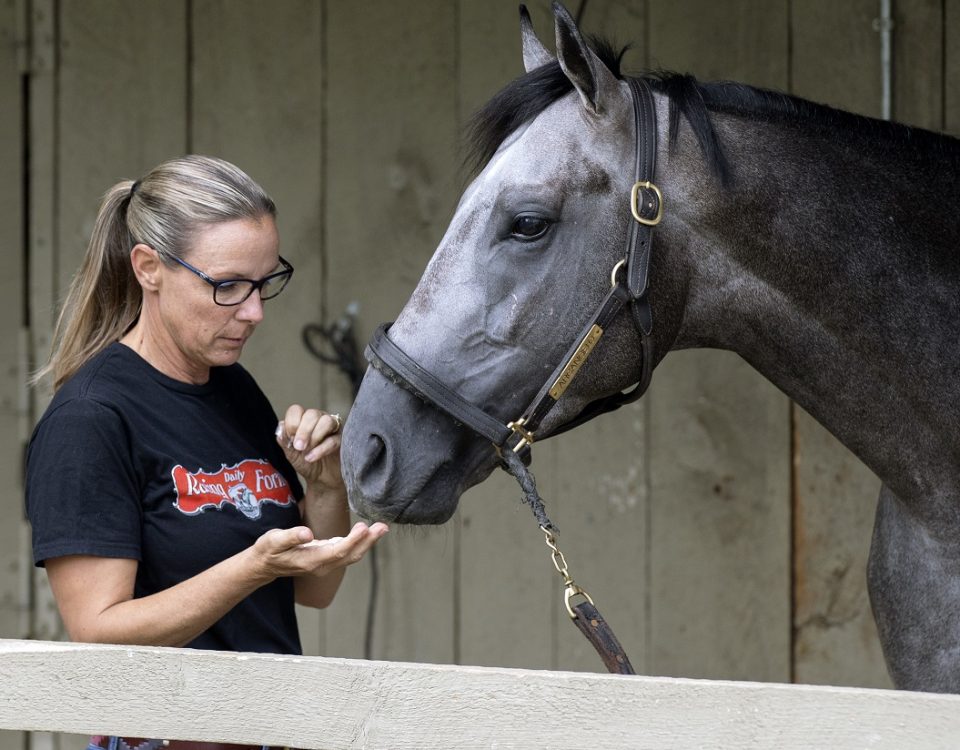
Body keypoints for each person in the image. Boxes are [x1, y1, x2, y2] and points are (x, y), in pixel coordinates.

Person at [25, 155, 387, 668]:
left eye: (264, 283)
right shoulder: (91, 419)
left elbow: (314, 588)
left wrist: (325, 484)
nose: (254, 311)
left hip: (271, 731)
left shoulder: (234, 389)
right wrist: (253, 566)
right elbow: (97, 631)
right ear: (149, 268)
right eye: (228, 286)